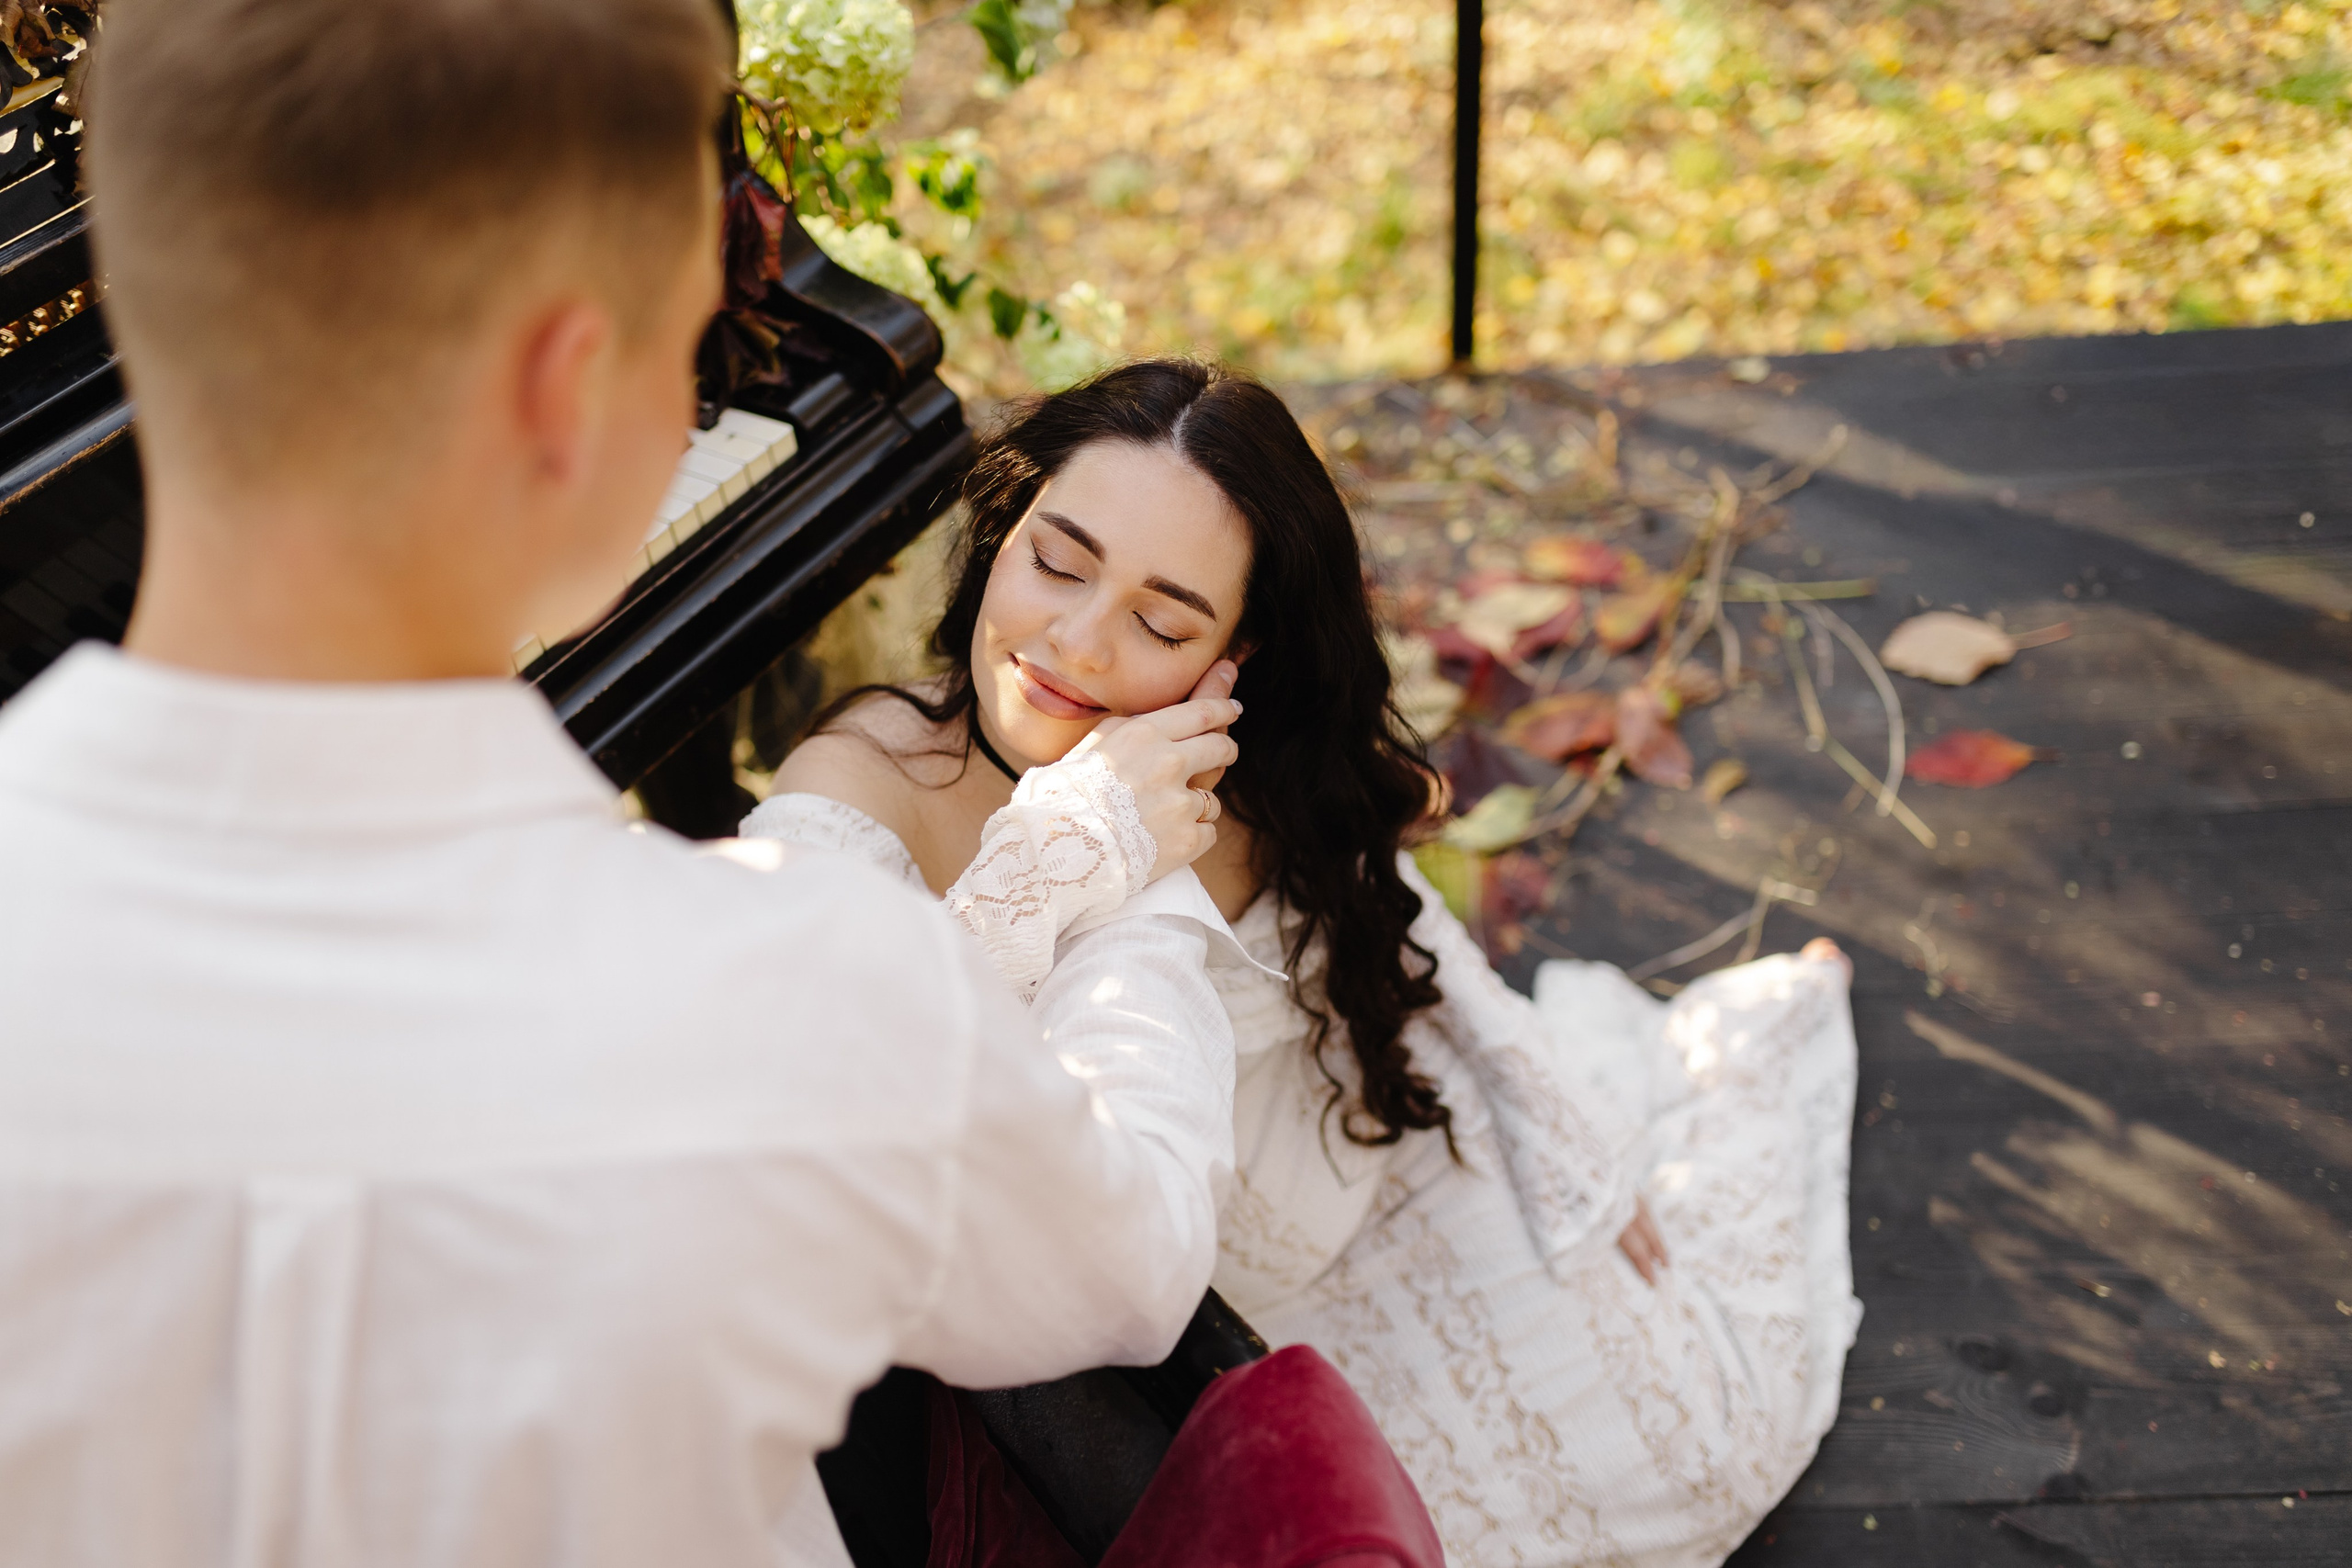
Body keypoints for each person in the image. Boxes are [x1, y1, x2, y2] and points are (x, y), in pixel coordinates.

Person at [0, 5, 1251, 1562]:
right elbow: (1135, 1269)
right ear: (572, 382)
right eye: (704, 343)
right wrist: (1103, 856)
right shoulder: (817, 1000)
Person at [748, 358, 1866, 1568]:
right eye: (1057, 563)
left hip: (1390, 1139)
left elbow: (1401, 919)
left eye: (1162, 623)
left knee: (1700, 1452)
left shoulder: (1237, 751)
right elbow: (819, 1110)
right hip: (1214, 1308)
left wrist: (1556, 1128)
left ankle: (1745, 1049)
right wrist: (1064, 853)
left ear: (1237, 653)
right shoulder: (861, 786)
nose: (1075, 643)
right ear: (1001, 532)